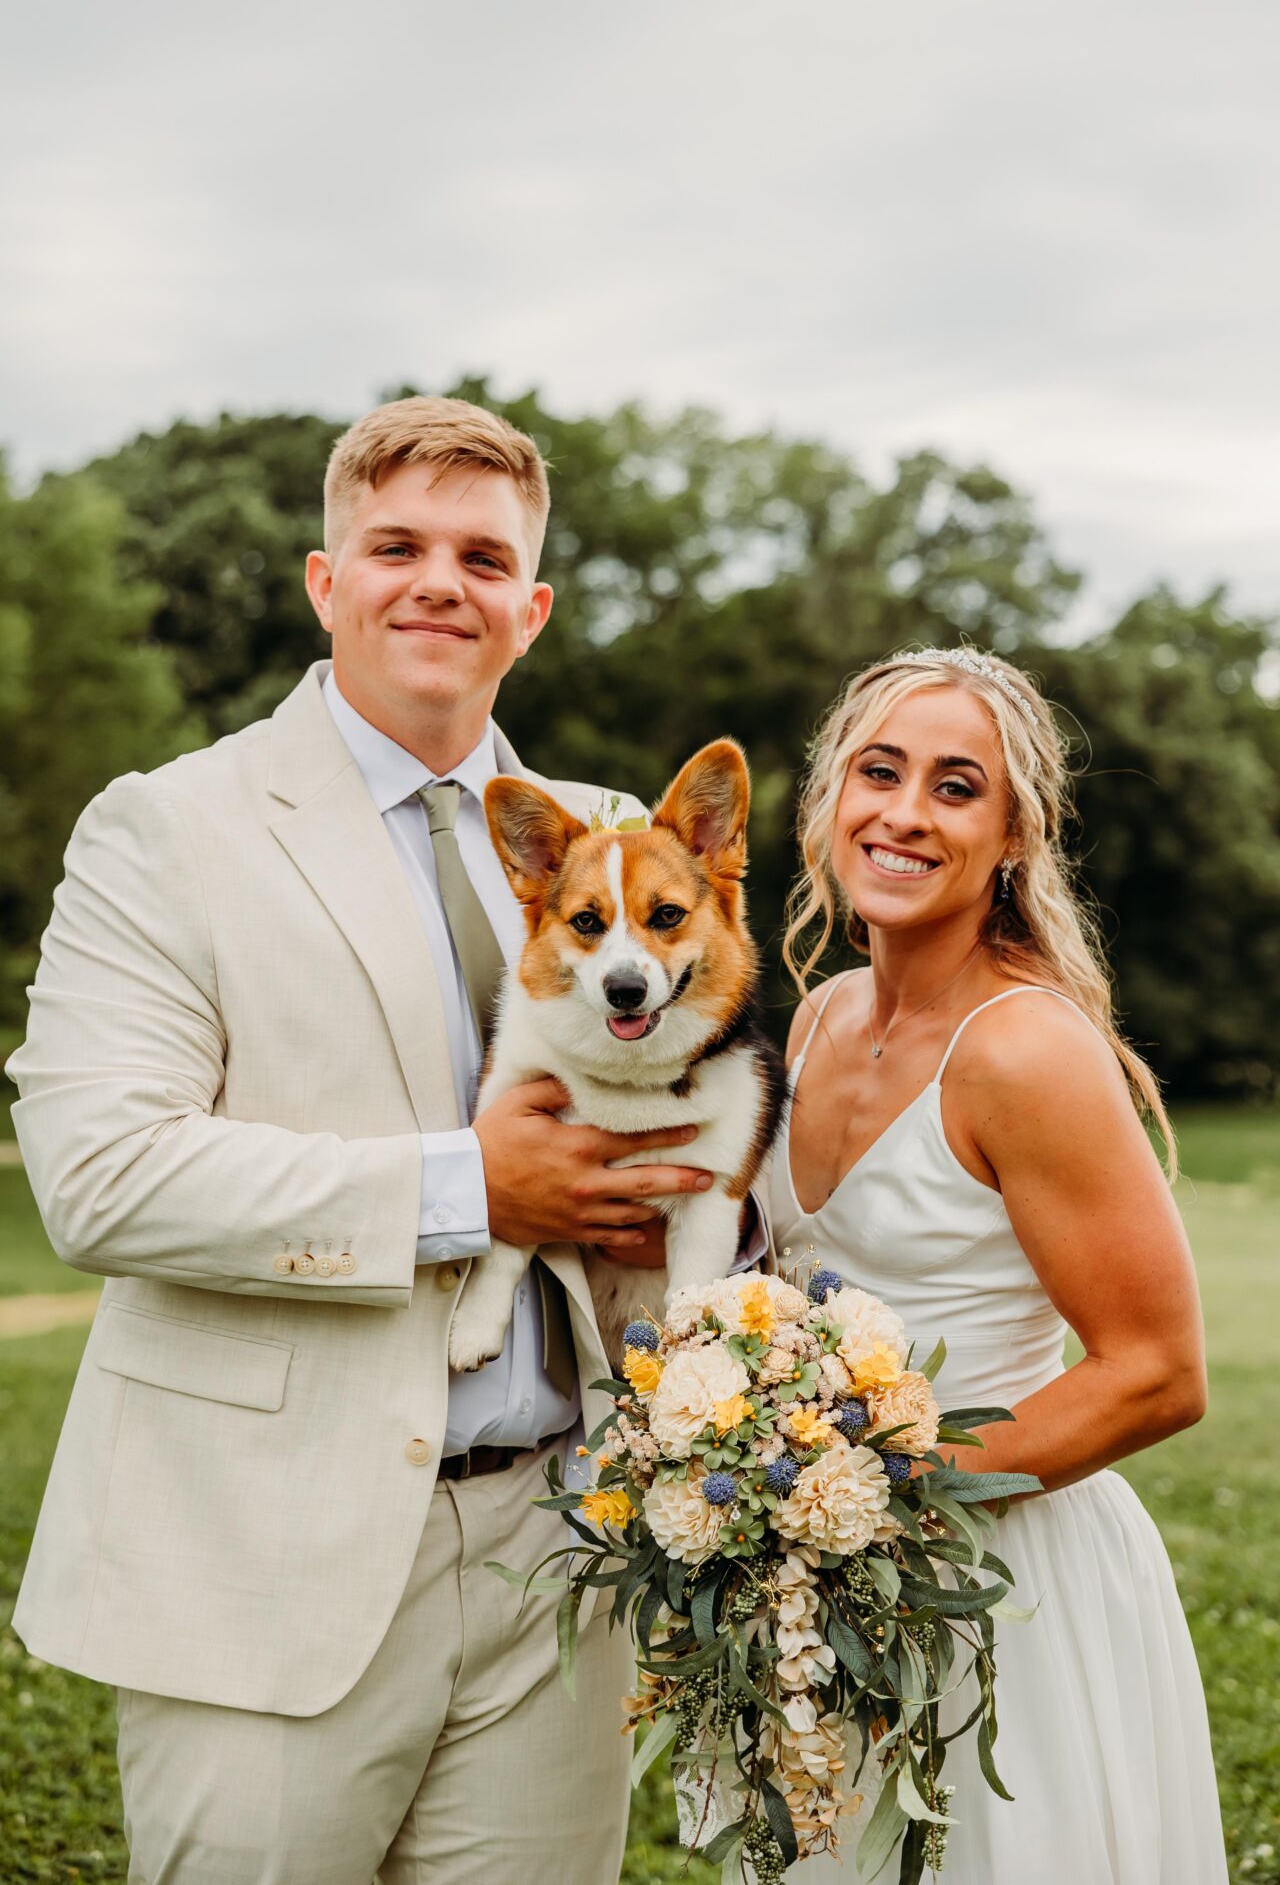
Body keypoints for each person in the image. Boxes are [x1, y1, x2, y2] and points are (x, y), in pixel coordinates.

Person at [6, 395, 721, 1884]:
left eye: (481, 554)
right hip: (267, 1558)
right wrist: (474, 1190)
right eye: (395, 545)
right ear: (329, 584)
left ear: (527, 609)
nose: (437, 582)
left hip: (559, 1553)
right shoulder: (168, 827)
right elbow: (102, 1177)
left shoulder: (611, 839)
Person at [767, 647, 1228, 1882]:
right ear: (828, 800)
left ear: (1014, 835)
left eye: (955, 787)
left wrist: (876, 1491)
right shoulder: (817, 1016)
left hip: (999, 1582)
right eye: (879, 772)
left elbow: (1154, 1372)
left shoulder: (1024, 1050)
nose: (905, 813)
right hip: (831, 1591)